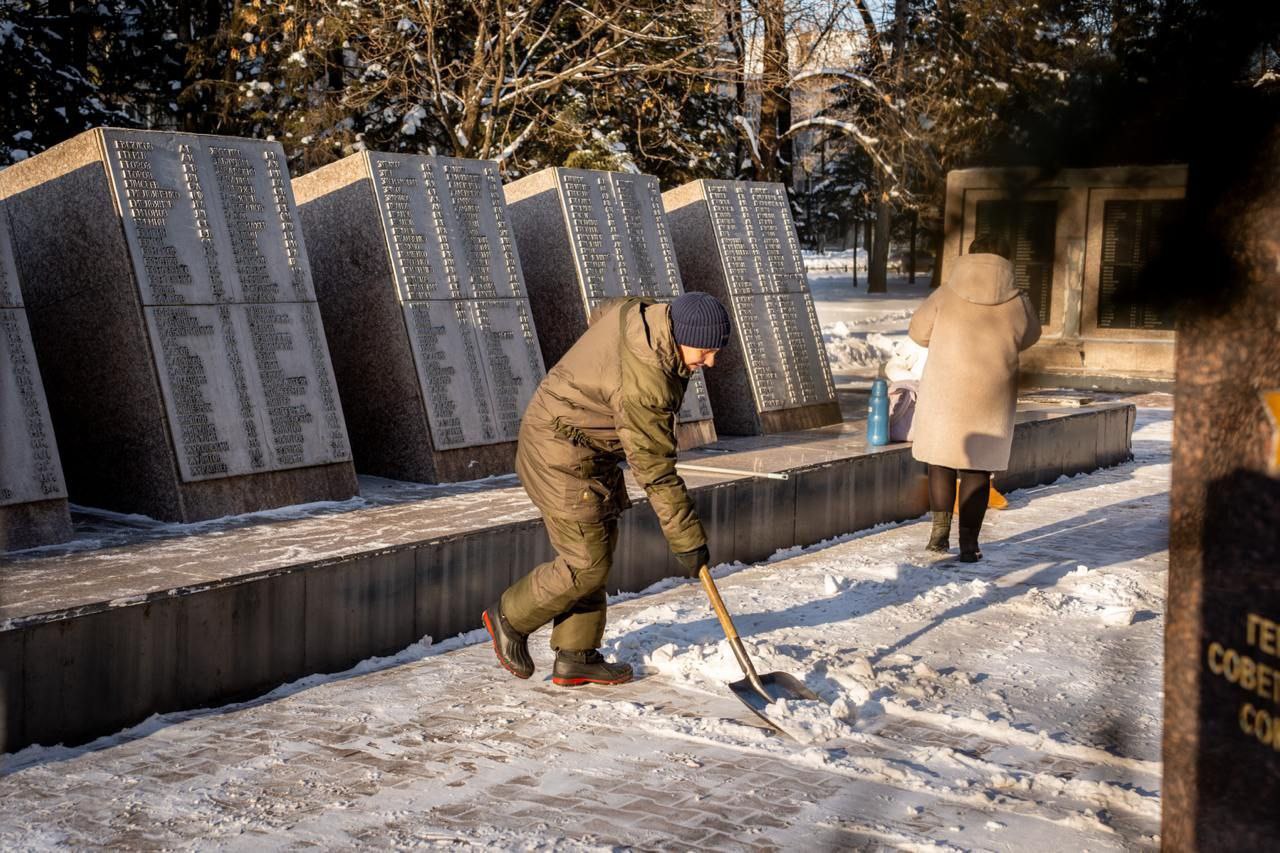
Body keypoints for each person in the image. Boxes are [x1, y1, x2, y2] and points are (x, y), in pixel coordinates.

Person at [483, 291, 731, 686]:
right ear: (680, 334)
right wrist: (688, 541)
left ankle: (576, 655)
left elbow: (604, 311)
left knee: (597, 546)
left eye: (716, 351)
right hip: (560, 453)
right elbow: (656, 471)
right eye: (704, 351)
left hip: (585, 446)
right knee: (585, 562)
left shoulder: (642, 315)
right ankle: (510, 616)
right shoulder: (645, 385)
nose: (711, 362)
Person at [907, 234, 1042, 561]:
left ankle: (939, 535)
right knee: (978, 469)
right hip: (991, 394)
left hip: (945, 391)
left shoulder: (945, 293)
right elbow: (1031, 335)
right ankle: (970, 544)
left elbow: (917, 331)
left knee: (940, 459)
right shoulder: (1017, 300)